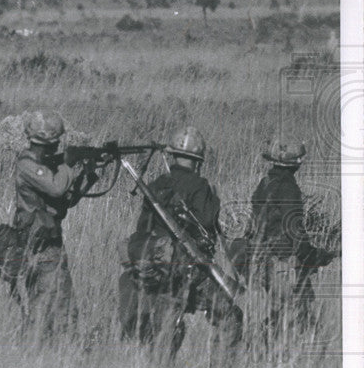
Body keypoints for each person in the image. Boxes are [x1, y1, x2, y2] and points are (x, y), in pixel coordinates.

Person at [118, 126, 241, 354]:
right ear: (198, 160)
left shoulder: (155, 185)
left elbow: (142, 228)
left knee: (163, 326)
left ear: (173, 155)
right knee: (229, 316)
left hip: (151, 264)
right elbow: (207, 223)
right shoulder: (200, 186)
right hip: (184, 268)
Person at [0, 110, 96, 334]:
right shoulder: (28, 163)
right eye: (55, 143)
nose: (57, 147)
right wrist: (68, 163)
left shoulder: (46, 166)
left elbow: (64, 202)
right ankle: (45, 354)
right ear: (50, 140)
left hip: (51, 245)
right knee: (52, 312)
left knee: (61, 309)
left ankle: (46, 353)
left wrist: (88, 177)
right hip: (38, 246)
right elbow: (56, 187)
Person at [233, 138, 337, 332]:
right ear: (296, 164)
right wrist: (313, 255)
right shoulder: (289, 188)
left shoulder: (264, 183)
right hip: (283, 261)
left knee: (278, 312)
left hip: (260, 258)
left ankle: (261, 343)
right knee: (299, 314)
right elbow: (294, 230)